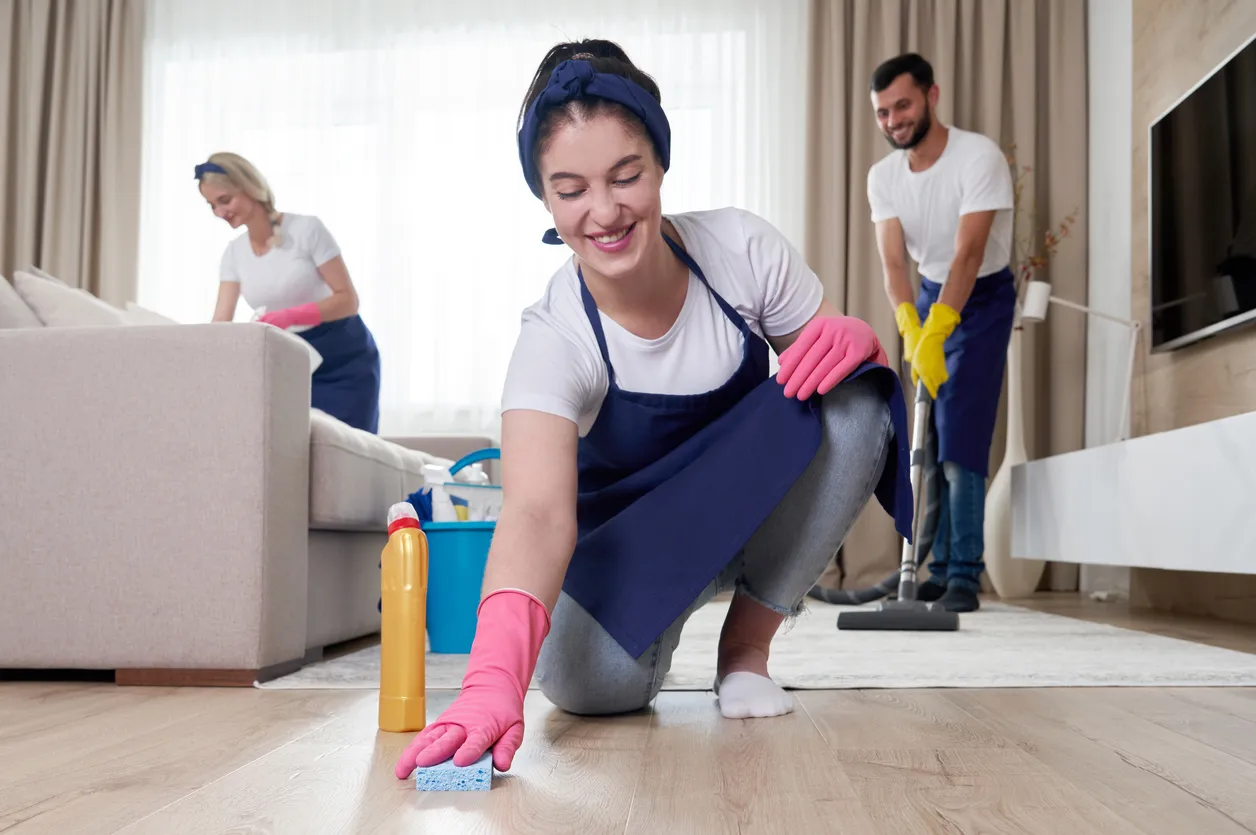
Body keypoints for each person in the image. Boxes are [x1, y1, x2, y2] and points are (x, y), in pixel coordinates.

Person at [393, 39, 915, 780]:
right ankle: (654, 630)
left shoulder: (739, 250)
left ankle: (745, 649)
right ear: (544, 196)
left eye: (626, 175)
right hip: (635, 546)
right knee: (584, 685)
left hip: (753, 508)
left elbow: (839, 397)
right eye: (570, 189)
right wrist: (490, 682)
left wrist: (862, 343)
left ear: (660, 163)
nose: (604, 211)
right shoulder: (554, 336)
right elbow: (536, 513)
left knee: (862, 399)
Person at [866, 53, 1017, 612]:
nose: (893, 120)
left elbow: (969, 254)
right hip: (927, 296)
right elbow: (893, 264)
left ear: (931, 96)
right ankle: (936, 565)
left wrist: (943, 327)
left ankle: (964, 575)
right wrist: (911, 324)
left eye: (902, 105)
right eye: (882, 112)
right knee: (929, 439)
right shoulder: (883, 176)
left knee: (962, 435)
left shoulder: (978, 157)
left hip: (982, 297)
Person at [195, 152, 382, 434]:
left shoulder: (307, 230)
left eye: (224, 200)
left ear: (249, 188)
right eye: (211, 205)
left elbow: (348, 300)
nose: (219, 212)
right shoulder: (234, 254)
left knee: (348, 455)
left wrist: (289, 316)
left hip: (345, 360)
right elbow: (221, 320)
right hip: (294, 363)